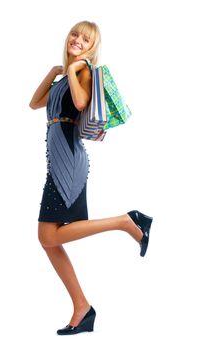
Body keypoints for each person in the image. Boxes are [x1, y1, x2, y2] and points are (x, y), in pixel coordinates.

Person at [29, 20, 153, 336]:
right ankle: (82, 308)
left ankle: (126, 222)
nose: (78, 40)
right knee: (48, 239)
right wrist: (55, 70)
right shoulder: (65, 75)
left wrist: (72, 69)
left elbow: (82, 103)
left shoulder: (82, 72)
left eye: (86, 39)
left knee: (49, 237)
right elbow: (34, 103)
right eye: (75, 34)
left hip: (69, 160)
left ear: (91, 48)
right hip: (57, 160)